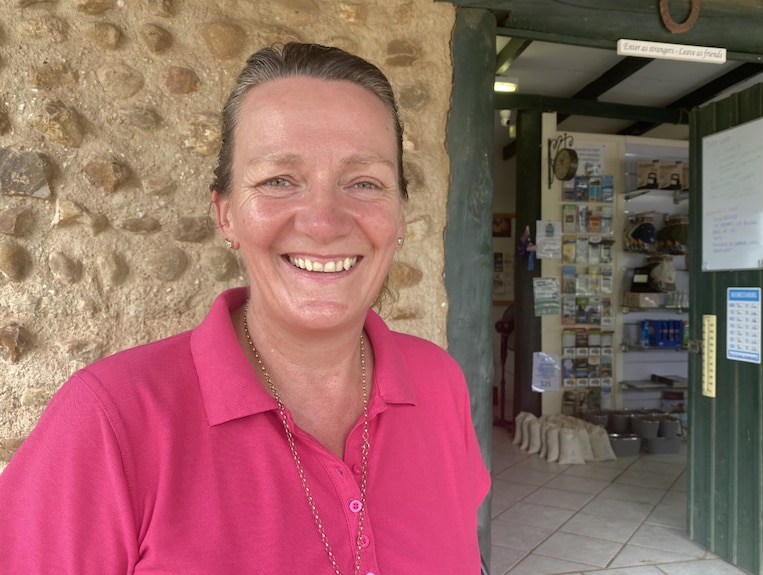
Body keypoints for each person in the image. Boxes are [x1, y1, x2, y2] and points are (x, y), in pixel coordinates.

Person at [0, 42, 490, 574]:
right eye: (279, 180)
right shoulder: (107, 421)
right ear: (226, 214)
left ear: (398, 217)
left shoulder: (440, 385)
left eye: (365, 183)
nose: (323, 221)